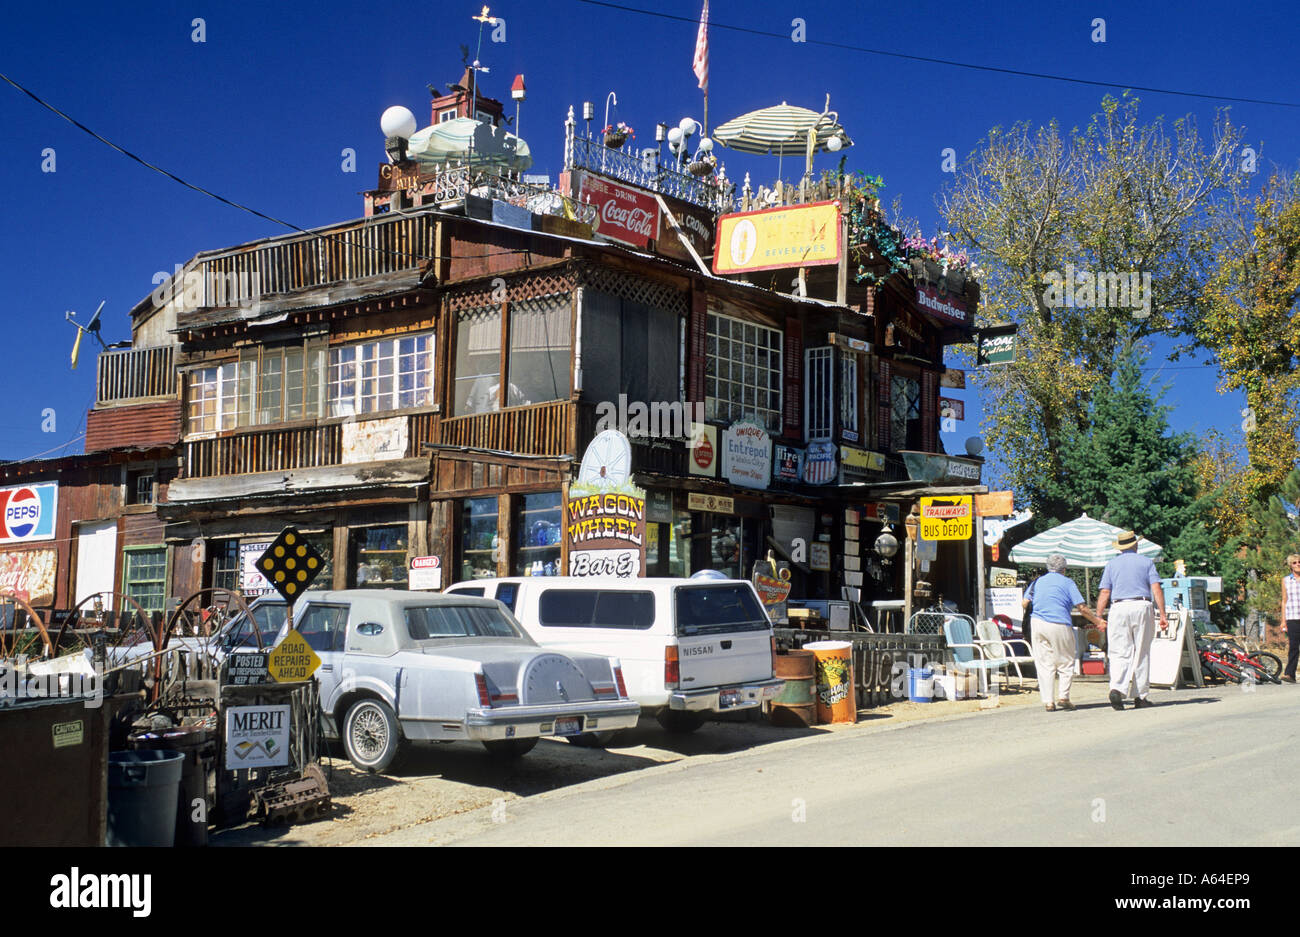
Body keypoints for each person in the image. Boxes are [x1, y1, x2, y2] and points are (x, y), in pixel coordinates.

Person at [1096, 530, 1169, 710]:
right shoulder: (1146, 562)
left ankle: (1117, 688)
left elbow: (1105, 592)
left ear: (1120, 548)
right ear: (1135, 545)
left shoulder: (1111, 565)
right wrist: (1163, 613)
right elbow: (1156, 588)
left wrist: (1098, 616)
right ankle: (1140, 696)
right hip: (1141, 605)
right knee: (1142, 651)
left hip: (1118, 607)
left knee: (1119, 651)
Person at [1023, 554, 1106, 712]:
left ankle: (1048, 702)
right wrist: (1098, 621)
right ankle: (1064, 697)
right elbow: (1082, 608)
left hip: (1037, 623)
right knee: (1066, 661)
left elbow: (1025, 602)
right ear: (1064, 569)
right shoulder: (1068, 582)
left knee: (1044, 664)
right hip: (1059, 622)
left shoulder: (1037, 582)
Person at [1280, 553, 1300, 683]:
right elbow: (1284, 601)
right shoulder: (1286, 580)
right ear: (1290, 566)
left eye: (1299, 562)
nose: (1298, 564)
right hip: (1293, 617)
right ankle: (1290, 674)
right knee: (1293, 646)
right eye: (1295, 562)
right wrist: (1283, 621)